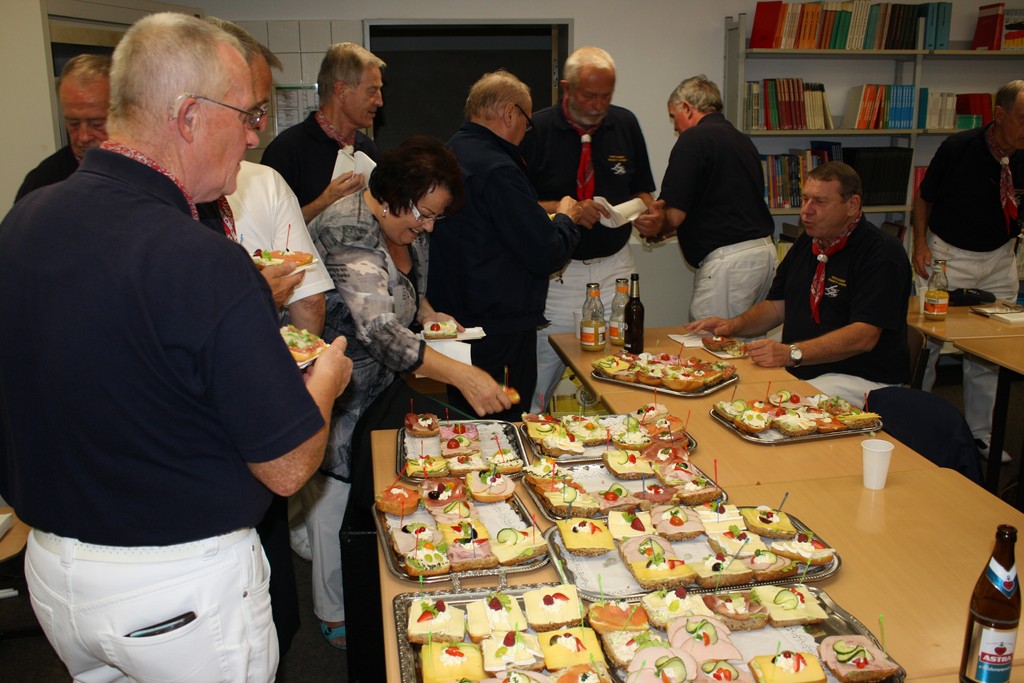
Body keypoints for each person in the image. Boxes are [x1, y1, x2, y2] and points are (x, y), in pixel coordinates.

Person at [0, 14, 352, 682]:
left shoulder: (23, 221)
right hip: (177, 589)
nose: (255, 136)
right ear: (189, 115)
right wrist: (328, 379)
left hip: (55, 573)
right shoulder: (200, 258)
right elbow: (286, 469)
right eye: (247, 116)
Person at [304, 135, 511, 649]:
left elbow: (409, 293)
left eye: (437, 217)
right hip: (337, 381)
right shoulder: (349, 228)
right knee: (334, 491)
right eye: (425, 214)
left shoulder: (410, 224)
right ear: (393, 194)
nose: (429, 227)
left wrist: (430, 314)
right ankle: (332, 610)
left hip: (383, 382)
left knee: (373, 486)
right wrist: (462, 375)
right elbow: (378, 330)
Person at [195, 17, 335, 657]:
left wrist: (298, 377)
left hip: (253, 409)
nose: (258, 135)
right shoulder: (170, 223)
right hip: (182, 533)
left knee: (270, 603)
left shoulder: (262, 183)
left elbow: (310, 296)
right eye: (250, 114)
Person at [427, 70, 584, 421]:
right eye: (527, 123)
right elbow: (546, 252)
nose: (526, 133)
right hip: (499, 327)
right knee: (502, 426)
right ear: (510, 113)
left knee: (467, 425)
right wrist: (566, 219)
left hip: (454, 319)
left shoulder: (448, 153)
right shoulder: (498, 168)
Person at [689, 162, 911, 406]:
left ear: (852, 205)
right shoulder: (809, 241)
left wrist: (791, 353)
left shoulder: (881, 253)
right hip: (802, 367)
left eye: (820, 202)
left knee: (769, 406)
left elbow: (864, 336)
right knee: (725, 389)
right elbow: (777, 306)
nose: (806, 210)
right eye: (805, 199)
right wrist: (732, 325)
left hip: (860, 378)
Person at [520, 46, 656, 412]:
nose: (598, 106)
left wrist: (649, 212)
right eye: (589, 96)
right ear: (567, 88)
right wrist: (566, 210)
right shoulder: (536, 129)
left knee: (624, 366)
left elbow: (643, 189)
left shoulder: (624, 123)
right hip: (559, 275)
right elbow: (518, 206)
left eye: (606, 97)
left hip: (616, 267)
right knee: (542, 375)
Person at [912, 80, 1024, 459]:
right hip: (949, 255)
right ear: (1000, 115)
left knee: (990, 348)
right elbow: (924, 197)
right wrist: (920, 244)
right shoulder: (959, 148)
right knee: (928, 345)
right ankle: (917, 426)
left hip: (1000, 257)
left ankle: (982, 433)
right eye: (1022, 118)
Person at [634, 75, 776, 322]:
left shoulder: (693, 139)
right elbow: (722, 208)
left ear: (687, 108)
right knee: (748, 340)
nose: (675, 127)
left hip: (729, 266)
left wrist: (655, 224)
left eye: (674, 116)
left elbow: (674, 215)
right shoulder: (742, 140)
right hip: (764, 256)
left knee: (709, 341)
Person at [261, 42, 384, 224]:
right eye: (372, 92)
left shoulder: (368, 149)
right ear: (341, 91)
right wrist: (326, 201)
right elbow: (268, 227)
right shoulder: (286, 151)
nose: (380, 101)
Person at [15, 54, 110, 202]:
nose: (83, 137)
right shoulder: (42, 183)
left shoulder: (145, 172)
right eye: (73, 124)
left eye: (96, 124)